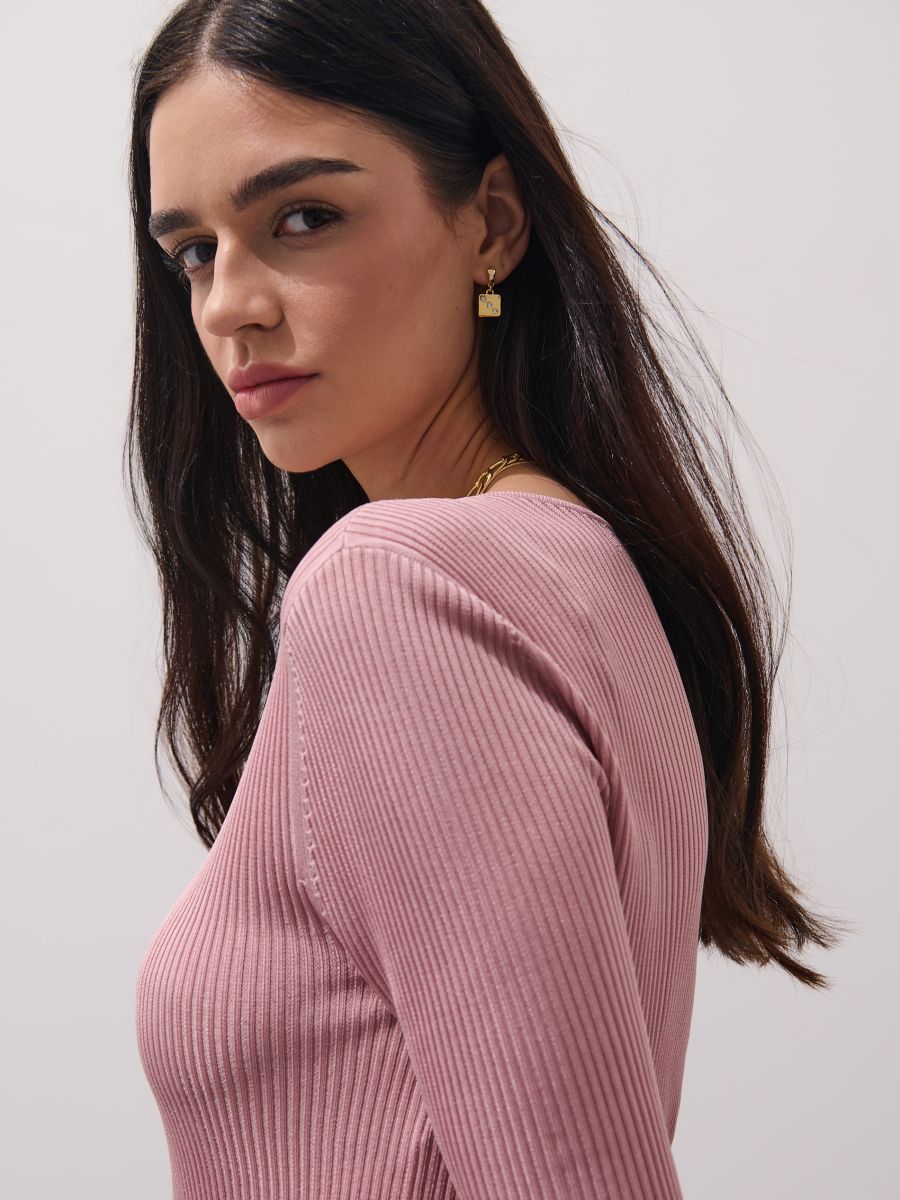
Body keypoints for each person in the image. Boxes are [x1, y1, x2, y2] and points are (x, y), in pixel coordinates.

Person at [128, 2, 845, 1197]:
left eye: (303, 218)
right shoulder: (582, 570)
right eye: (194, 252)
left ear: (493, 225)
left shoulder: (396, 589)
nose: (227, 305)